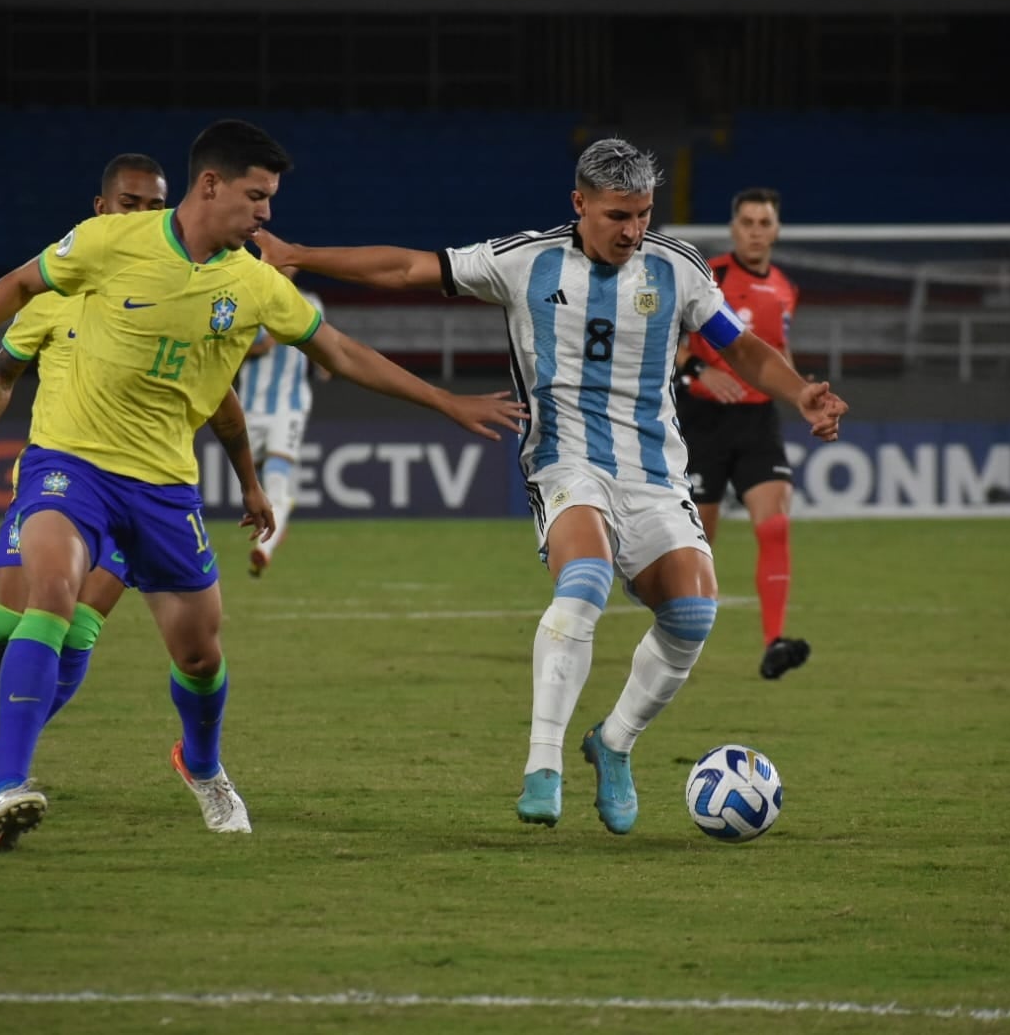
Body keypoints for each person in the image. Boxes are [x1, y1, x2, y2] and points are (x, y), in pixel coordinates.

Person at [0, 118, 526, 851]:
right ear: (210, 185)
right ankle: (8, 787)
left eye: (271, 200)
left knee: (199, 655)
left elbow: (338, 353)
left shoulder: (251, 285)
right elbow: (17, 284)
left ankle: (201, 763)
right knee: (52, 598)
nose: (267, 215)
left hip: (162, 488)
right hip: (71, 461)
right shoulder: (108, 242)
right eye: (257, 196)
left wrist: (447, 403)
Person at [253, 138, 847, 835]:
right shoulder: (524, 261)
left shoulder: (676, 268)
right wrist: (297, 257)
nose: (632, 230)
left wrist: (798, 390)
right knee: (585, 576)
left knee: (692, 615)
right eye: (617, 214)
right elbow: (409, 267)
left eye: (644, 214)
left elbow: (738, 346)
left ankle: (613, 743)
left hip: (653, 472)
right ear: (579, 204)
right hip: (564, 462)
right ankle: (543, 763)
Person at [0, 151, 276, 795]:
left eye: (156, 205)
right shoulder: (54, 293)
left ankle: (6, 759)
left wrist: (249, 479)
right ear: (101, 209)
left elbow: (221, 402)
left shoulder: (176, 287)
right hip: (59, 478)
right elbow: (2, 374)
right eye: (131, 204)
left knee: (77, 624)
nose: (146, 215)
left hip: (142, 490)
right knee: (7, 618)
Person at [672, 187, 810, 682]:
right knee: (697, 542)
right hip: (701, 422)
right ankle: (675, 644)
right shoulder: (706, 275)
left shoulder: (785, 288)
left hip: (757, 422)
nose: (755, 230)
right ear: (734, 228)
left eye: (764, 222)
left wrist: (803, 396)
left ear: (775, 230)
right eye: (747, 222)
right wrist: (699, 374)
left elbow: (776, 353)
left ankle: (775, 642)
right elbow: (665, 341)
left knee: (774, 525)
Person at [236, 267, 329, 579]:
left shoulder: (311, 301)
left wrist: (323, 362)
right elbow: (237, 347)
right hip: (249, 407)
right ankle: (279, 524)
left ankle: (264, 549)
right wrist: (264, 342)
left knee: (277, 478)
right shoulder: (251, 300)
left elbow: (322, 341)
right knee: (258, 484)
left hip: (289, 407)